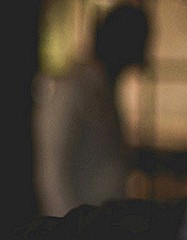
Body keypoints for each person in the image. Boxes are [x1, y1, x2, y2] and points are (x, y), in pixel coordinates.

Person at [34, 3, 151, 217]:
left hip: (98, 231)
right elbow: (52, 173)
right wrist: (69, 234)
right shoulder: (74, 92)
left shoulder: (103, 92)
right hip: (79, 236)